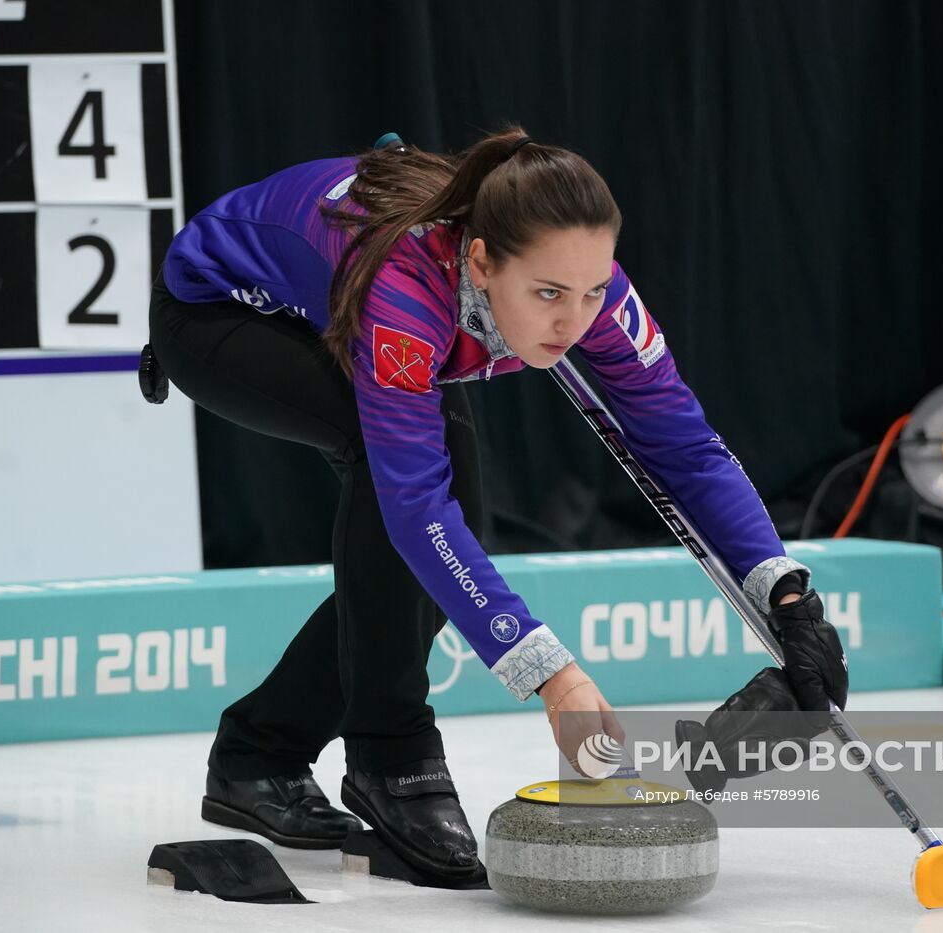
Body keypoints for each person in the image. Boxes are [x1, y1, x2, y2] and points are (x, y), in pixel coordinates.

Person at [148, 127, 848, 882]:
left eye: (590, 290)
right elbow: (415, 507)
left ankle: (259, 755)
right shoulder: (405, 290)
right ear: (480, 262)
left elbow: (686, 445)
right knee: (402, 485)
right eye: (547, 295)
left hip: (333, 299)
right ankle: (391, 756)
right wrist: (554, 675)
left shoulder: (591, 290)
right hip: (222, 312)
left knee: (454, 538)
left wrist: (786, 594)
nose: (574, 322)